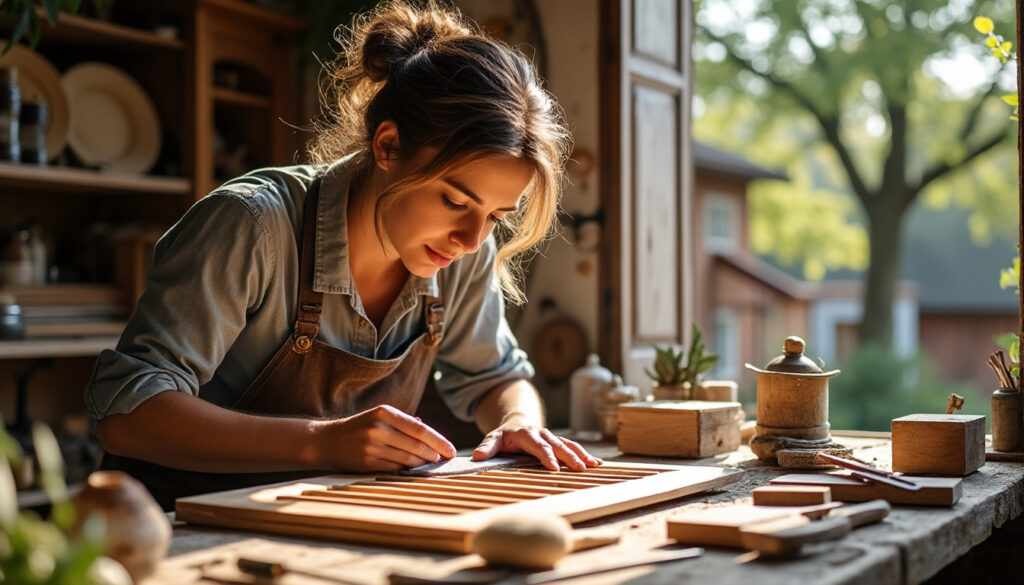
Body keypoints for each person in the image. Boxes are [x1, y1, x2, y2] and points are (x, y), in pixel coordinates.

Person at [84, 1, 601, 510]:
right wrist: (321, 442)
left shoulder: (463, 252)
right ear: (388, 146)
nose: (471, 239)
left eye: (495, 215)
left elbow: (496, 377)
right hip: (170, 526)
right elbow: (129, 414)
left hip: (315, 526)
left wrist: (517, 422)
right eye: (454, 201)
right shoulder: (252, 226)